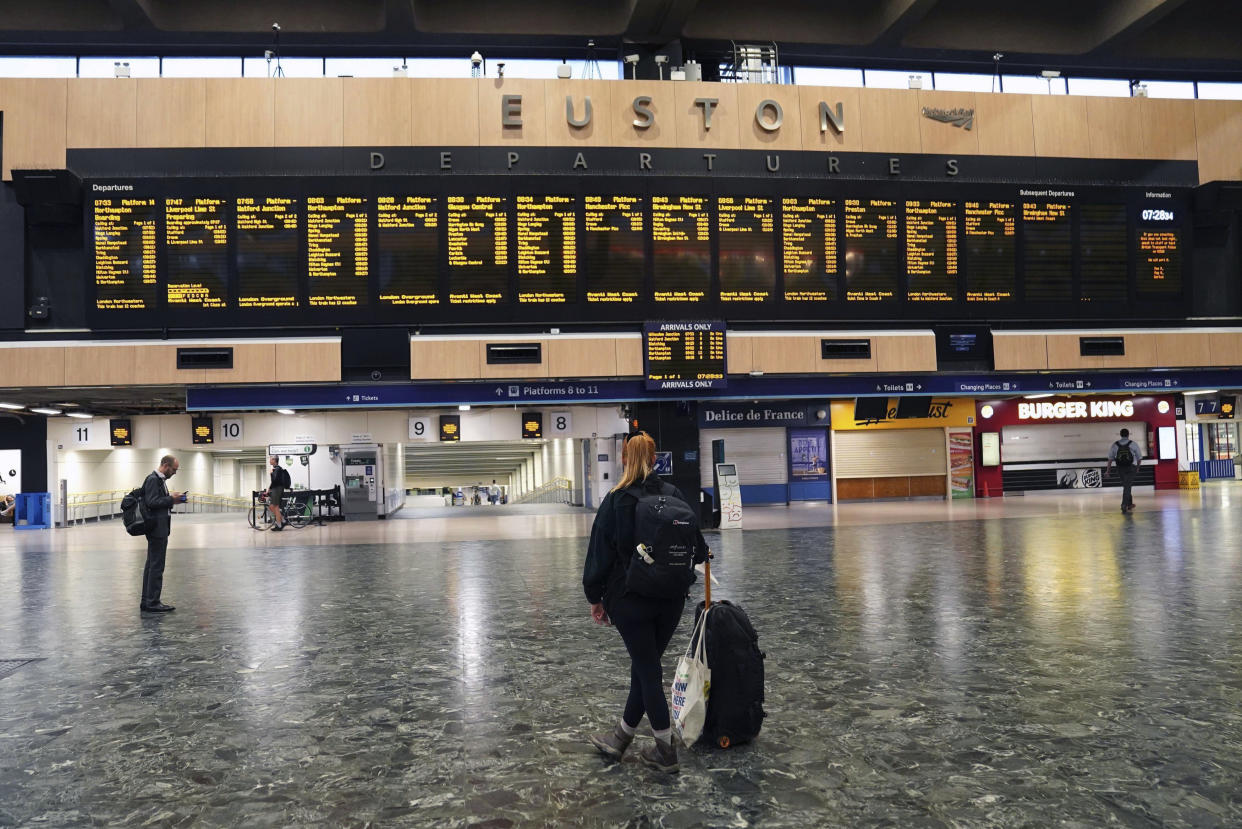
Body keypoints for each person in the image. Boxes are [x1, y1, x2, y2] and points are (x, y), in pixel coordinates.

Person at [583, 432, 709, 773]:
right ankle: (619, 739)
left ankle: (665, 752)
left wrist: (595, 597)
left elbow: (599, 554)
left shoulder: (616, 499)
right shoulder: (674, 495)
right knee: (646, 666)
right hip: (671, 598)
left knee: (648, 670)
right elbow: (698, 548)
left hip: (630, 598)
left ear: (625, 458)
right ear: (656, 460)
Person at [141, 454, 187, 613]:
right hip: (157, 528)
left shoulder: (158, 480)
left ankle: (147, 600)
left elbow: (156, 501)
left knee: (152, 564)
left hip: (159, 526)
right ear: (166, 466)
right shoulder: (153, 480)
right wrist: (171, 500)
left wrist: (171, 498)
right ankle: (152, 601)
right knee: (156, 566)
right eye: (174, 469)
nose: (174, 472)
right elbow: (152, 502)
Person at [1105, 427, 1143, 513]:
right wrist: (1137, 468)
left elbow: (1110, 459)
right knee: (1127, 486)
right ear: (1128, 434)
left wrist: (1108, 471)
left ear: (1120, 434)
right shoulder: (1133, 444)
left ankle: (1129, 504)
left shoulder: (1115, 445)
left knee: (1126, 485)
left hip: (1120, 468)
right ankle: (1124, 505)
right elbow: (1139, 458)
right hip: (1131, 467)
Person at [266, 456, 291, 530]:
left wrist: (271, 473)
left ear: (274, 460)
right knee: (271, 506)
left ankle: (279, 525)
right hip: (275, 489)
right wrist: (269, 489)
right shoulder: (276, 468)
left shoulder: (277, 469)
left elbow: (274, 480)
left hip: (277, 489)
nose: (270, 461)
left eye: (271, 459)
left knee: (276, 507)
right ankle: (283, 520)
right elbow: (274, 482)